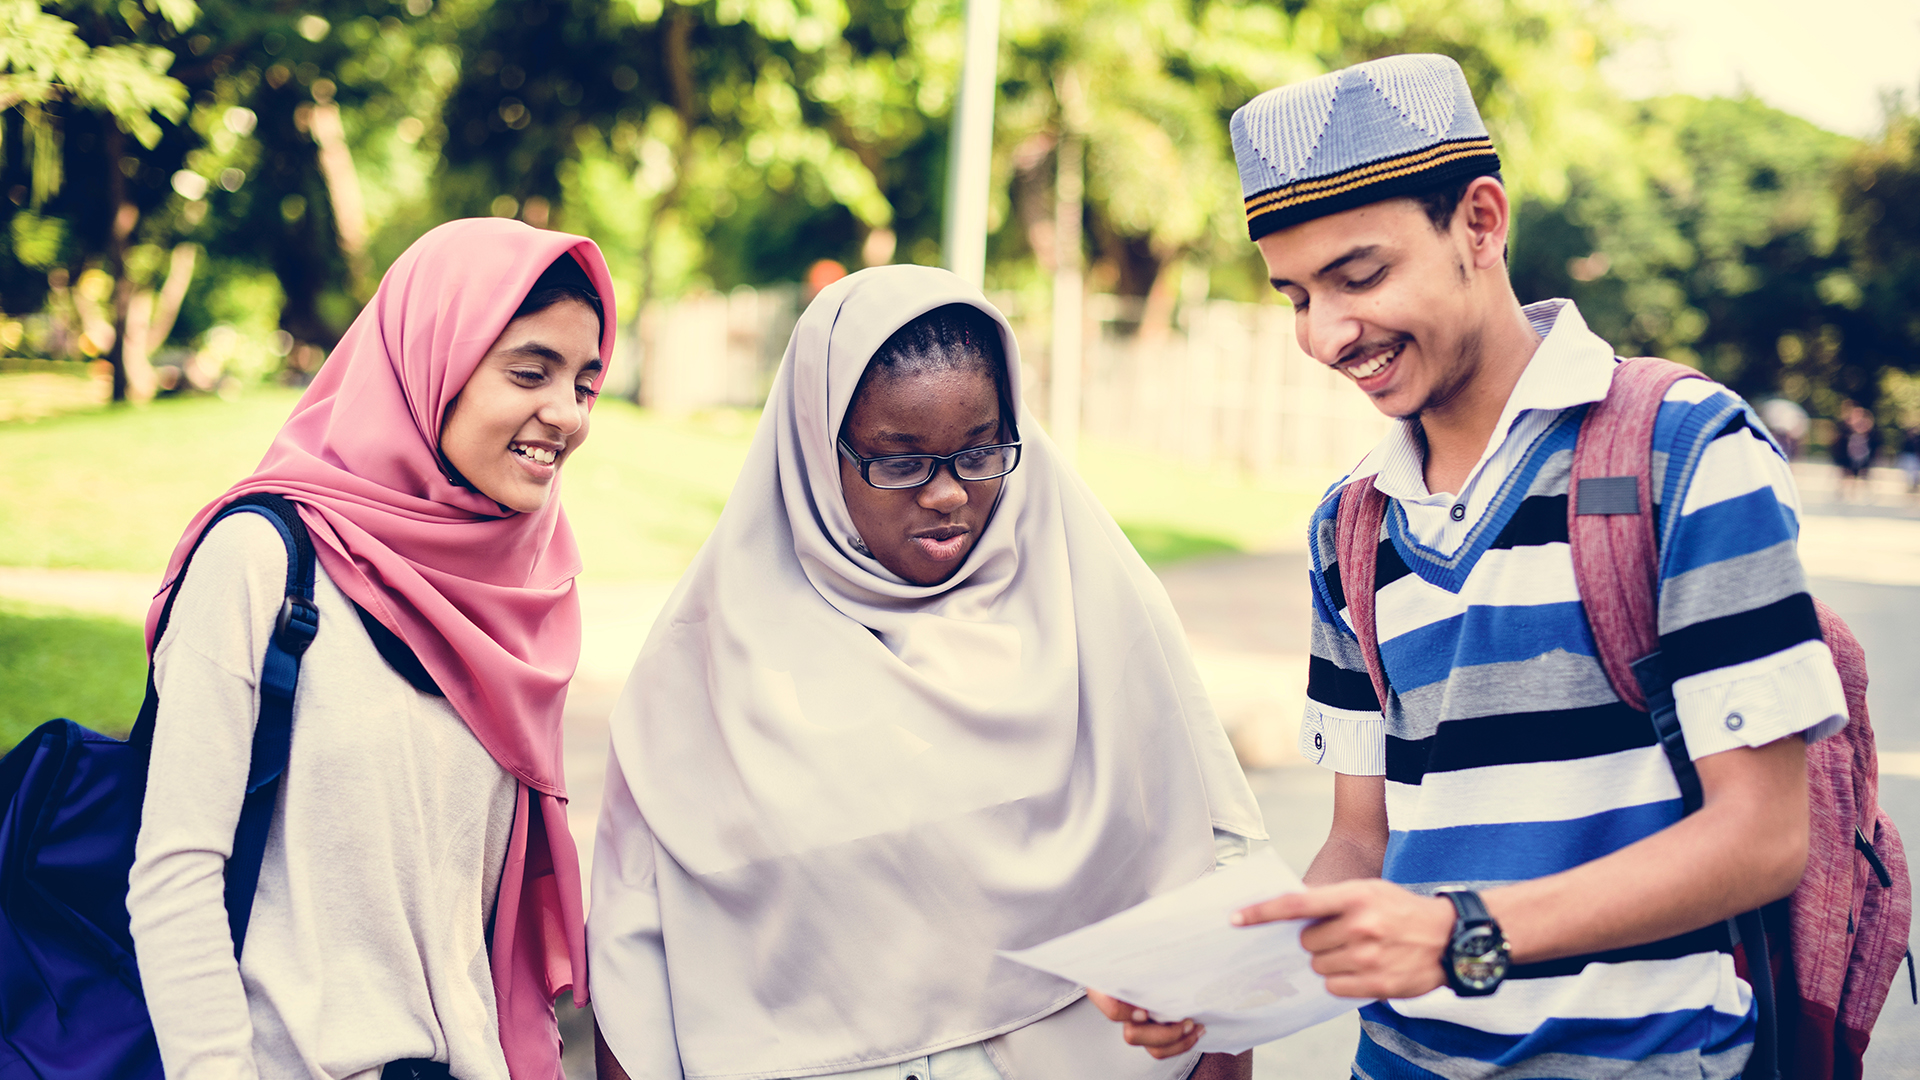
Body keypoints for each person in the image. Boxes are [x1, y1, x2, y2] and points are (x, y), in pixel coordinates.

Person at [1094, 54, 1848, 1079]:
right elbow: (1363, 847)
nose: (1325, 335)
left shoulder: (1687, 453)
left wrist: (1462, 932)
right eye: (1295, 295)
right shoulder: (1350, 527)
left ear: (1482, 225)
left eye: (1359, 277)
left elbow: (1763, 836)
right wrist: (1210, 986)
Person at [588, 265, 1266, 1080]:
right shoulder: (705, 662)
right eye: (897, 461)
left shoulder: (1098, 604)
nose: (948, 495)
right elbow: (634, 947)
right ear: (813, 449)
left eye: (979, 452)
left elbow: (1221, 873)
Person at [126, 218, 613, 1080]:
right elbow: (176, 874)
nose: (566, 415)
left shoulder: (522, 602)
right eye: (529, 372)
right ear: (434, 363)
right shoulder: (264, 557)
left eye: (584, 382)